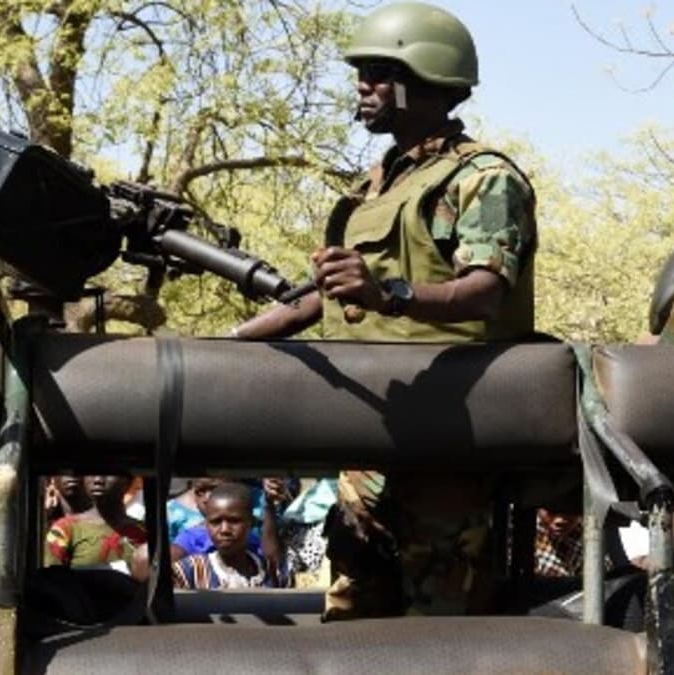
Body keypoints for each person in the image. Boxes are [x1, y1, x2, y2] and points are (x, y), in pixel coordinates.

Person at [231, 1, 537, 619]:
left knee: (445, 633)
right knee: (352, 623)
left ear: (422, 78)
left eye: (376, 73)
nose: (361, 88)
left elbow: (485, 291)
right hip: (367, 444)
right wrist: (218, 345)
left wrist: (386, 292)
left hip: (451, 445)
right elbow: (316, 300)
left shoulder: (483, 178)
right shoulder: (371, 190)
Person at [170, 483, 289, 590]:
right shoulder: (189, 571)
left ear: (251, 523)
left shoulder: (269, 571)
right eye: (216, 522)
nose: (224, 530)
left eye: (234, 521)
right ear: (206, 526)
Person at [44, 475, 147, 573]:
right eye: (92, 472)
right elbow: (52, 582)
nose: (98, 480)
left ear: (128, 482)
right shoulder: (65, 529)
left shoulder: (143, 531)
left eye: (108, 473)